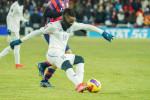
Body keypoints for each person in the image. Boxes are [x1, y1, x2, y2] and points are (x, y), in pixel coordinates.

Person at [10, 8, 113, 92]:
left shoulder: (72, 25)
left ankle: (79, 84)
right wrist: (20, 40)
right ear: (64, 18)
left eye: (73, 21)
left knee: (80, 60)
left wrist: (102, 32)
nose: (71, 24)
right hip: (52, 54)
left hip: (60, 55)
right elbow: (37, 32)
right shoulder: (53, 26)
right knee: (67, 63)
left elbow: (87, 26)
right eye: (69, 21)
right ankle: (79, 85)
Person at [37, 0, 70, 87]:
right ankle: (44, 76)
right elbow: (46, 13)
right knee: (65, 54)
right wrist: (61, 13)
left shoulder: (67, 1)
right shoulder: (54, 1)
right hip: (51, 32)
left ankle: (44, 72)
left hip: (60, 32)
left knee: (64, 55)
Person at [0, 0, 29, 68]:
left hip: (16, 28)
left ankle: (17, 64)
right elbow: (9, 16)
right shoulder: (14, 5)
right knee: (17, 45)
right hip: (12, 29)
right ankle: (17, 64)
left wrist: (25, 20)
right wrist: (9, 28)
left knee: (12, 47)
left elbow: (19, 16)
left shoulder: (21, 5)